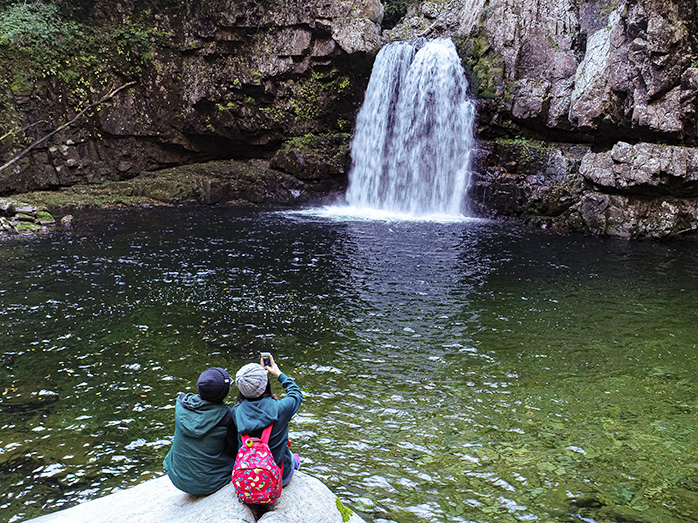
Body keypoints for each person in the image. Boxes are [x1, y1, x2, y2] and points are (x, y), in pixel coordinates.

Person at [163, 367, 238, 496]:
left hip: (177, 477)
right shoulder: (226, 417)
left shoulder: (181, 403)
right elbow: (235, 449)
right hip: (210, 483)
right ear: (224, 393)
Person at [232, 354, 303, 488]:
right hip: (279, 476)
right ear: (265, 383)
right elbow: (296, 393)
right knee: (292, 457)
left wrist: (257, 379)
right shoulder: (281, 409)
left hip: (247, 479)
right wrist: (278, 373)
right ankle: (294, 462)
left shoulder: (235, 412)